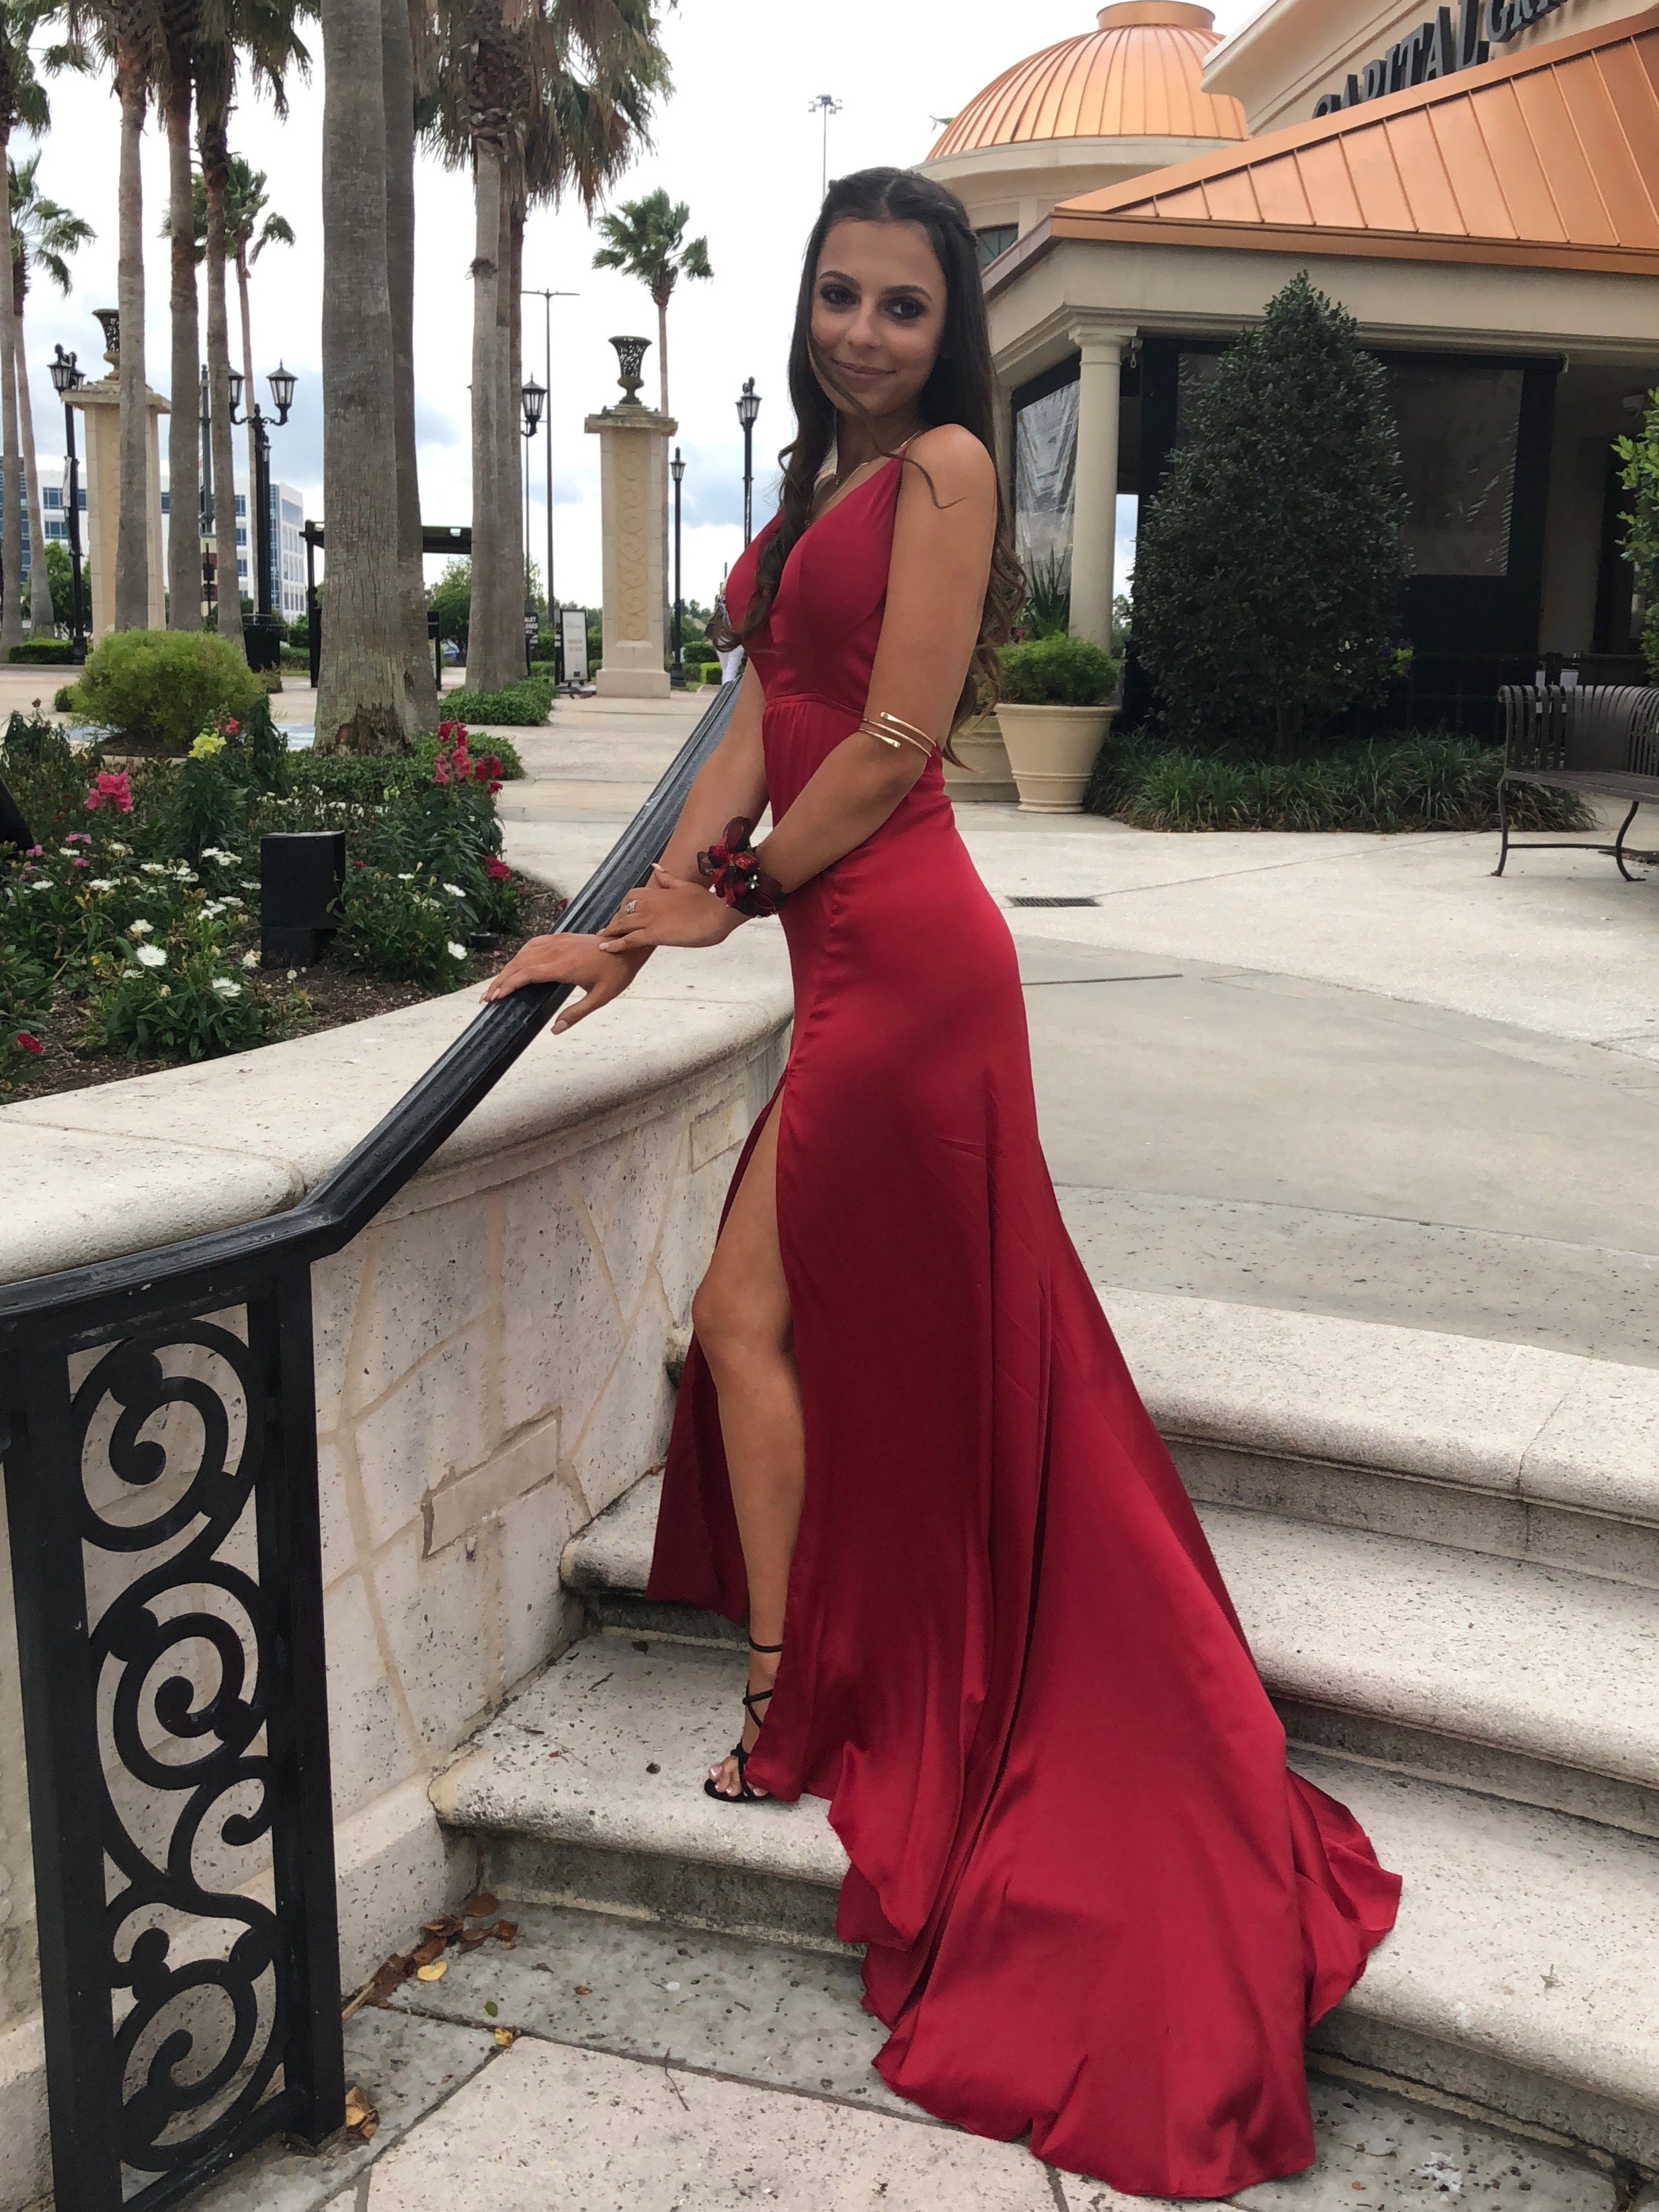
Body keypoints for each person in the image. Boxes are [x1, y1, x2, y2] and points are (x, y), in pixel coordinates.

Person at [479, 165, 1400, 2200]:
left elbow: (890, 740)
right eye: (837, 296)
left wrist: (725, 903)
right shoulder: (815, 488)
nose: (864, 333)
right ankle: (793, 1692)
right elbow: (751, 728)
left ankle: (798, 1697)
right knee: (757, 1326)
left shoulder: (957, 470)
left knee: (752, 1321)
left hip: (907, 974)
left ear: (947, 327)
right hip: (844, 964)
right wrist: (616, 932)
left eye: (901, 305)